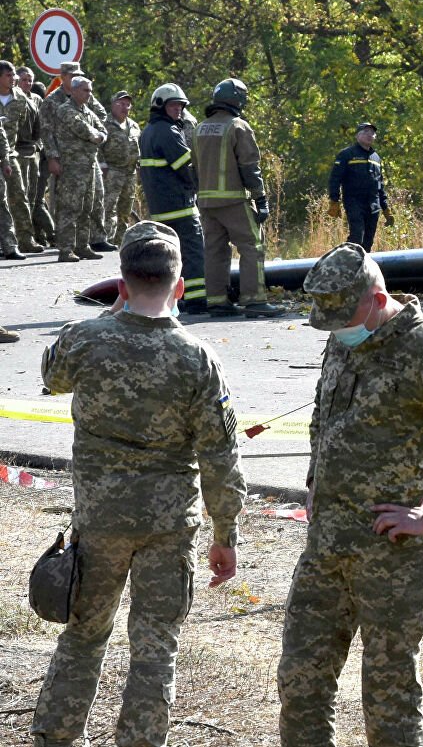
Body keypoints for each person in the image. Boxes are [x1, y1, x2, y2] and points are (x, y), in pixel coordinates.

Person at [278, 242, 423, 747]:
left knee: (389, 697)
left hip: (389, 553)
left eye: (343, 314)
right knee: (300, 680)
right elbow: (324, 414)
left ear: (377, 299)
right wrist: (316, 481)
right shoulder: (344, 336)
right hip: (326, 545)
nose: (335, 327)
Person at [31, 220, 245, 747]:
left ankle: (54, 738)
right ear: (179, 286)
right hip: (168, 525)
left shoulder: (83, 340)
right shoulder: (198, 359)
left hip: (99, 520)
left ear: (122, 285)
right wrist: (226, 534)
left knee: (82, 637)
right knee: (155, 647)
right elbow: (221, 455)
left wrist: (108, 315)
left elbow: (50, 375)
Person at [195, 78, 281, 316]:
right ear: (237, 100)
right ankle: (254, 300)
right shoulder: (238, 126)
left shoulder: (199, 128)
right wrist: (260, 199)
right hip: (233, 201)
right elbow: (250, 167)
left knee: (214, 250)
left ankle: (217, 301)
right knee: (252, 246)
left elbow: (194, 168)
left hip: (206, 203)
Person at [140, 84, 209, 315]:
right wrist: (201, 187)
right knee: (193, 251)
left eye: (180, 106)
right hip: (180, 206)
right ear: (160, 107)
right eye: (173, 105)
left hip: (160, 208)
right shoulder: (167, 132)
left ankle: (172, 298)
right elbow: (186, 167)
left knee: (168, 255)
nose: (178, 110)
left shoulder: (147, 131)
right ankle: (197, 299)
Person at [47, 75, 108, 262]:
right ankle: (65, 249)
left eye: (90, 90)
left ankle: (82, 246)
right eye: (85, 90)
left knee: (87, 208)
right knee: (70, 208)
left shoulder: (88, 111)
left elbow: (102, 130)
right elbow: (83, 130)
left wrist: (99, 136)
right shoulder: (65, 110)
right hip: (72, 167)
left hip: (88, 166)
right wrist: (96, 136)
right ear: (73, 91)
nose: (89, 94)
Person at [328, 121, 391, 250]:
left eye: (372, 132)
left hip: (373, 204)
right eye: (365, 132)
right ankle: (347, 263)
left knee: (368, 242)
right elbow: (335, 178)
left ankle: (362, 268)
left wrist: (385, 208)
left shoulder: (376, 158)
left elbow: (380, 185)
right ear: (357, 136)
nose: (370, 135)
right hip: (354, 201)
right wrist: (334, 200)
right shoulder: (346, 154)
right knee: (357, 237)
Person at [8, 64, 52, 249]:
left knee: (33, 197)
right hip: (16, 150)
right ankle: (18, 238)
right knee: (17, 196)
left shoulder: (36, 99)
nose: (27, 83)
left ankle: (31, 236)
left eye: (30, 80)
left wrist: (41, 148)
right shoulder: (12, 99)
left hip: (33, 151)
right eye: (24, 79)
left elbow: (41, 127)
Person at [95, 89, 141, 248]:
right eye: (121, 103)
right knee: (108, 207)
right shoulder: (104, 123)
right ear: (113, 105)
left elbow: (137, 147)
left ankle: (121, 241)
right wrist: (103, 166)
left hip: (130, 173)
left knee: (125, 209)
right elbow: (98, 147)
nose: (124, 107)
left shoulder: (134, 125)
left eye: (127, 104)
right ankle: (105, 239)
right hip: (112, 171)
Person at [0, 61, 24, 260]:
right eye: (9, 75)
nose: (13, 78)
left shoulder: (20, 99)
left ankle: (11, 245)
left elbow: (32, 127)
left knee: (8, 201)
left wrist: (6, 159)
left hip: (8, 155)